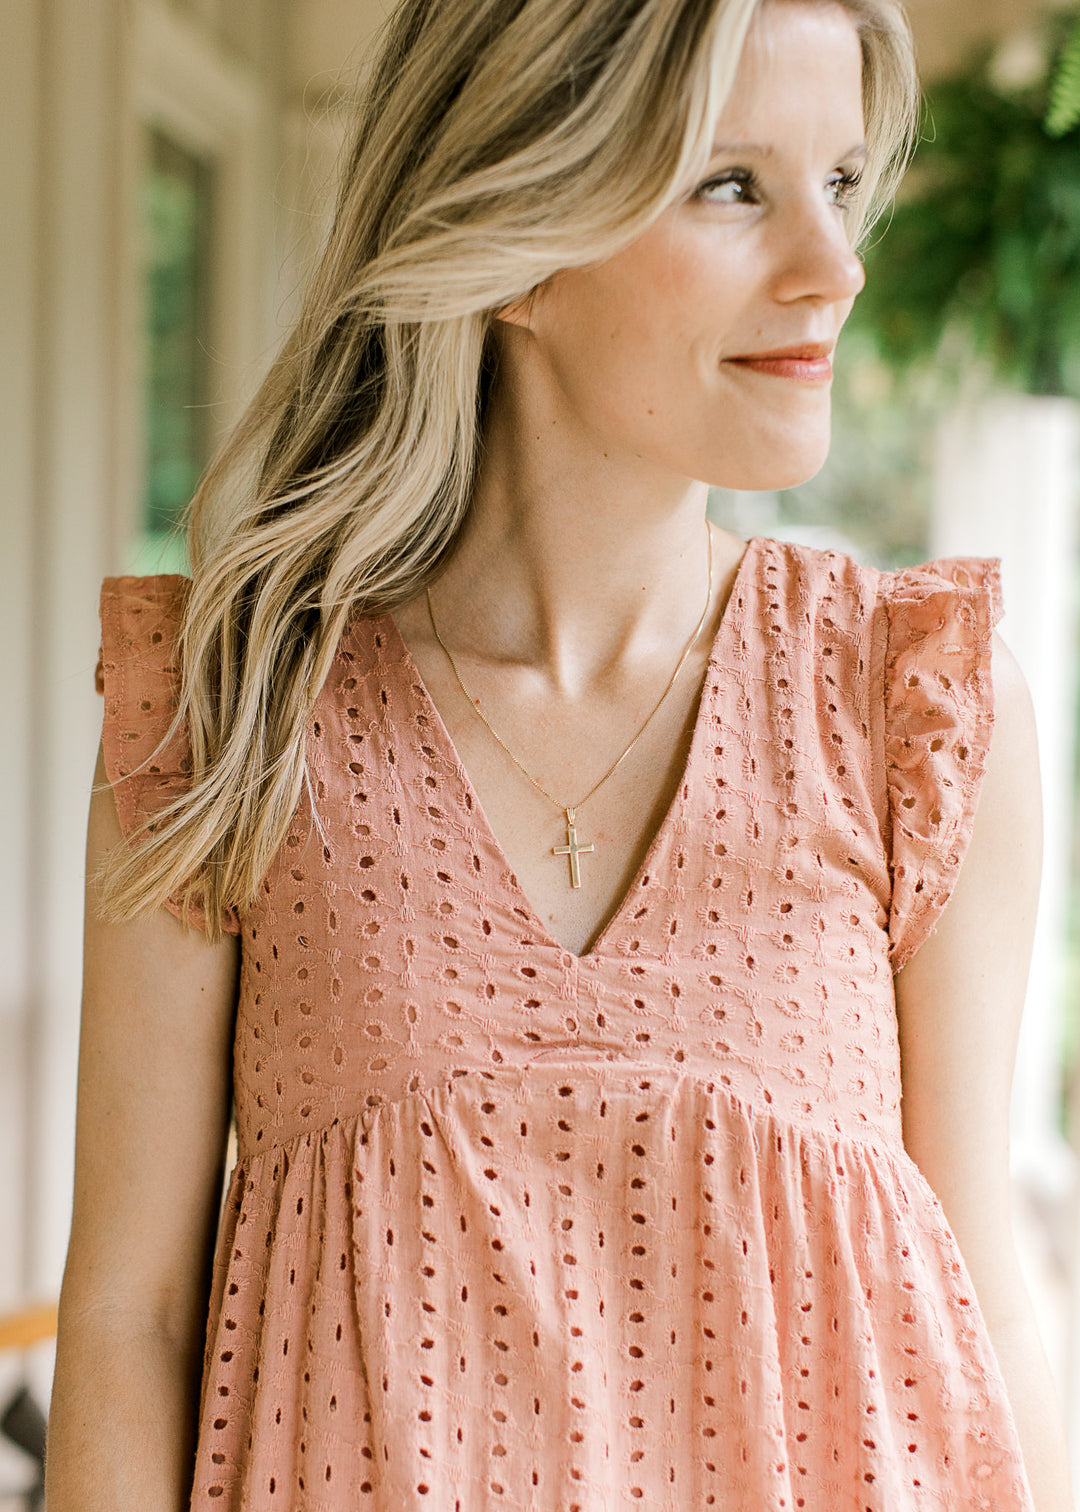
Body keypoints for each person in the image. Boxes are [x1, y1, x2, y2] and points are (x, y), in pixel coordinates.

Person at [44, 0, 1075, 1507]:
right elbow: (130, 1323)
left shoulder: (901, 705)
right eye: (733, 184)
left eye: (843, 182)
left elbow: (979, 1291)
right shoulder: (237, 708)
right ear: (518, 237)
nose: (835, 266)